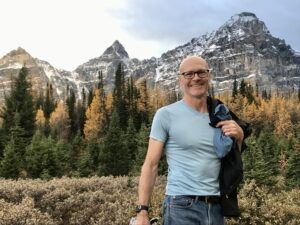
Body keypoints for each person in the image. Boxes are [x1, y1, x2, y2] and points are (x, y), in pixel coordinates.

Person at [135, 56, 250, 225]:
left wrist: (239, 137)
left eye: (201, 72)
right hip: (182, 207)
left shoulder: (220, 116)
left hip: (217, 208)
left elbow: (231, 162)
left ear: (208, 76)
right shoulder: (166, 115)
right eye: (189, 74)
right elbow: (151, 164)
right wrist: (142, 211)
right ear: (180, 79)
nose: (196, 78)